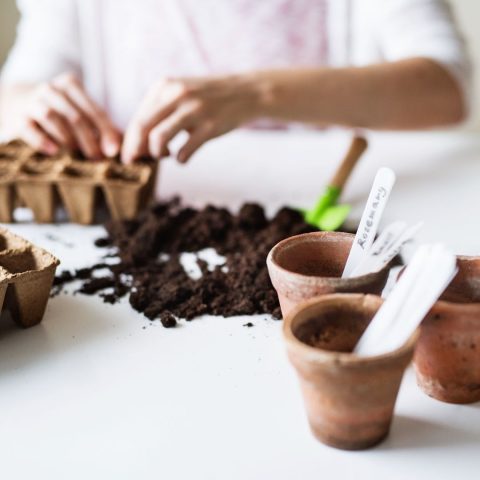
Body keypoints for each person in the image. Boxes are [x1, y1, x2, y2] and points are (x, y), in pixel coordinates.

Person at [0, 0, 471, 164]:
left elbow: (446, 89)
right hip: (131, 239)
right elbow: (16, 90)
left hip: (312, 226)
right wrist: (31, 106)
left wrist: (258, 94)